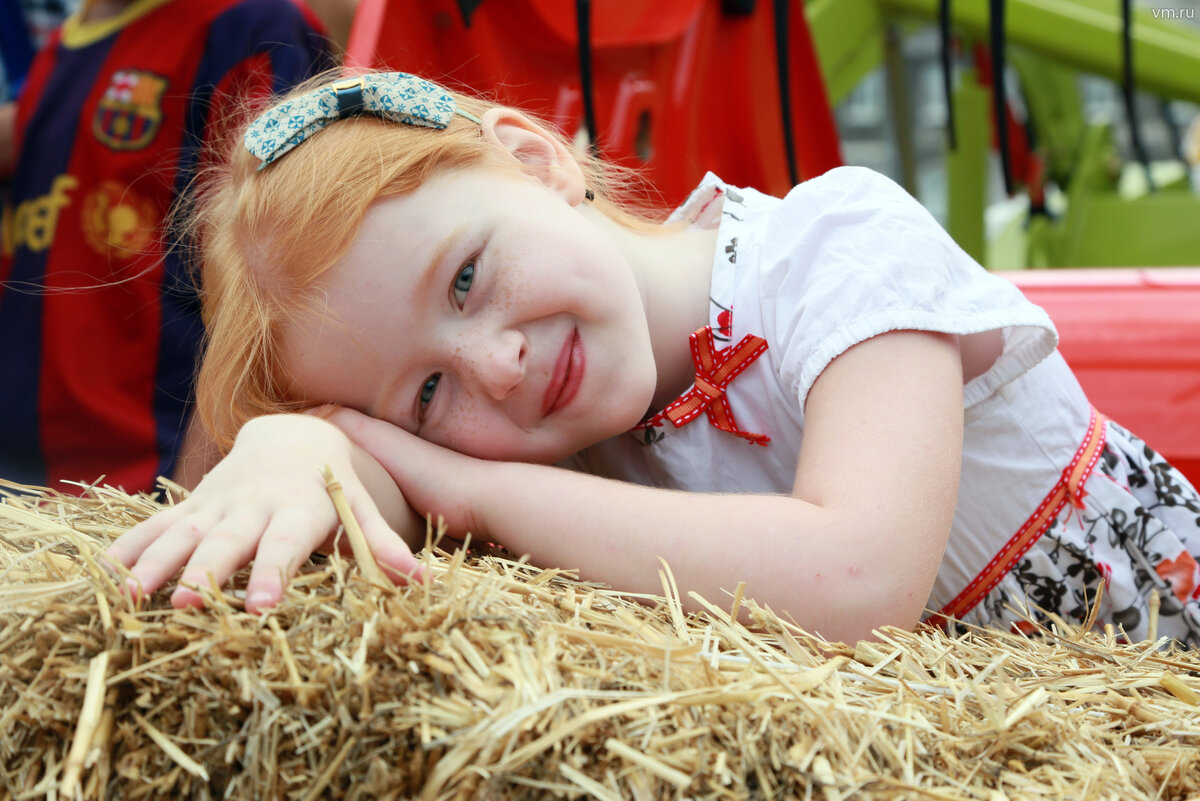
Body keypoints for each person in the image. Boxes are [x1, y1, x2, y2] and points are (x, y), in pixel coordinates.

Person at [107, 71, 1200, 645]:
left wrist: (461, 477)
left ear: (535, 162)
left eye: (466, 277)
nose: (496, 365)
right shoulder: (564, 444)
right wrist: (293, 448)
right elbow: (354, 501)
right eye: (424, 394)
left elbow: (859, 577)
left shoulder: (835, 248)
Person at [0, 0, 333, 493]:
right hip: (26, 488)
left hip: (147, 484)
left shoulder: (251, 27)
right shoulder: (61, 44)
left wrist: (189, 494)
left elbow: (277, 293)